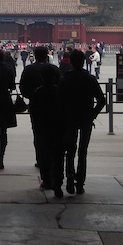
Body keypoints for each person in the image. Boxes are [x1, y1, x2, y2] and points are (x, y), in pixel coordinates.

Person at [57, 49, 105, 195]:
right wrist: (93, 114)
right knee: (83, 151)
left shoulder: (64, 79)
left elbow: (59, 101)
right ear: (84, 62)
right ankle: (80, 183)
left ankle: (70, 176)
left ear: (71, 62)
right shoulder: (90, 79)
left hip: (69, 118)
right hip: (85, 118)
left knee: (70, 149)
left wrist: (62, 115)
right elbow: (101, 100)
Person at [20, 45, 61, 167]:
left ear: (35, 55)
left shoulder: (29, 69)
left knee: (38, 133)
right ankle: (53, 158)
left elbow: (23, 88)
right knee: (53, 132)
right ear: (47, 54)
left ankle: (40, 159)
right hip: (54, 105)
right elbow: (61, 86)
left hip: (36, 105)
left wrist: (31, 96)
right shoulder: (54, 69)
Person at [30, 65, 64, 198]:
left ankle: (47, 180)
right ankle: (58, 183)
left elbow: (33, 110)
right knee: (58, 155)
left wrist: (35, 125)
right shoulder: (59, 91)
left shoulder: (38, 92)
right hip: (57, 126)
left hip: (42, 127)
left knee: (43, 155)